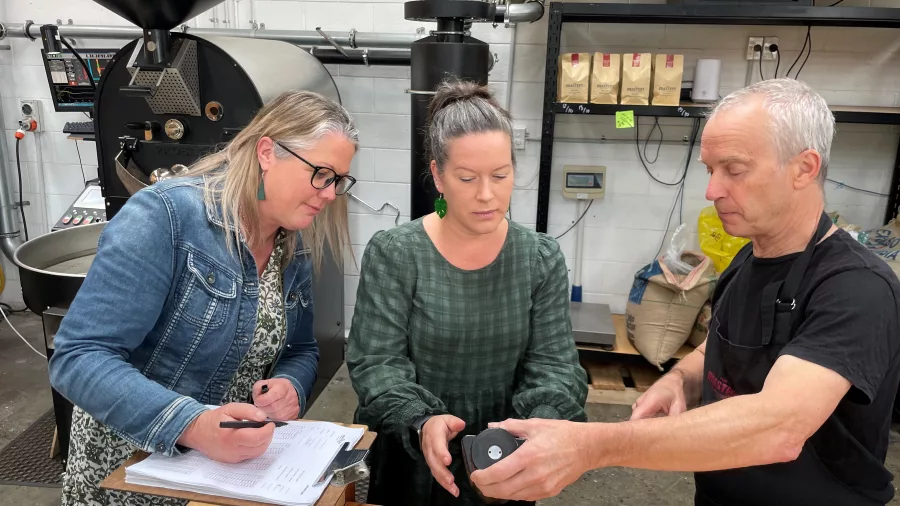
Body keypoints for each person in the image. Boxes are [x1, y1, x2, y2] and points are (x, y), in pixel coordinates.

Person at [468, 78, 900, 506]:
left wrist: (593, 445)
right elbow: (724, 344)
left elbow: (778, 427)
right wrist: (680, 379)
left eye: (735, 169)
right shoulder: (749, 260)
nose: (712, 191)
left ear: (804, 168)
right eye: (710, 171)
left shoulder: (857, 289)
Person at [48, 90, 359, 506]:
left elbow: (300, 348)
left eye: (338, 180)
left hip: (226, 477)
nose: (330, 194)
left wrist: (290, 386)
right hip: (132, 474)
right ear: (267, 152)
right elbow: (79, 356)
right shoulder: (167, 218)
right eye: (322, 174)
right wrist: (192, 425)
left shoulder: (290, 241)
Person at [346, 79, 589, 506]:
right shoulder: (397, 254)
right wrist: (421, 421)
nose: (486, 194)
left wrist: (540, 429)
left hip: (505, 459)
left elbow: (556, 368)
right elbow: (376, 363)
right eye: (466, 177)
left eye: (500, 175)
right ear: (438, 175)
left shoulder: (539, 258)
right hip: (412, 460)